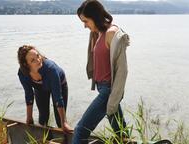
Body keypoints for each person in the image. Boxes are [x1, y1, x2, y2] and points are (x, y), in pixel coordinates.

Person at [72, 0, 130, 143]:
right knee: (122, 135)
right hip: (102, 87)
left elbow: (122, 71)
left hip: (108, 91)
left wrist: (113, 100)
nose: (84, 25)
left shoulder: (112, 34)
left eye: (86, 21)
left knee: (80, 131)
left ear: (95, 16)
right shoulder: (96, 32)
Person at [17, 45, 72, 133]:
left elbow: (58, 97)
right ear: (26, 64)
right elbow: (29, 95)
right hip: (40, 88)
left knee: (60, 121)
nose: (38, 60)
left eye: (38, 56)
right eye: (33, 60)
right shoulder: (23, 74)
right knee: (43, 119)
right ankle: (45, 138)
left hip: (59, 85)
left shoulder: (51, 69)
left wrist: (64, 122)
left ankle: (64, 135)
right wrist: (29, 117)